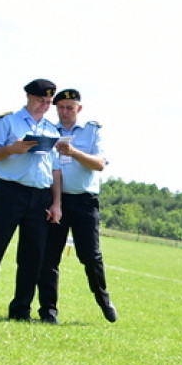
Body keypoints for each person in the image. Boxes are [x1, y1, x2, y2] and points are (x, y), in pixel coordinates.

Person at [0, 79, 63, 320]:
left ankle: (21, 311)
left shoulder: (52, 130)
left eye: (49, 102)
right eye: (41, 100)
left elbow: (55, 170)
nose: (45, 105)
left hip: (40, 196)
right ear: (28, 97)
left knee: (32, 256)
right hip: (11, 192)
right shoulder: (7, 122)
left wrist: (56, 202)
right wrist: (11, 149)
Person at [37, 89, 117, 324]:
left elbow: (100, 164)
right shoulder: (49, 131)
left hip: (84, 201)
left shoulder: (92, 131)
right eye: (60, 107)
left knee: (90, 256)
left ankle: (104, 300)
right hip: (56, 200)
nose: (64, 112)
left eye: (69, 107)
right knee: (49, 258)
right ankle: (48, 312)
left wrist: (73, 152)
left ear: (79, 109)